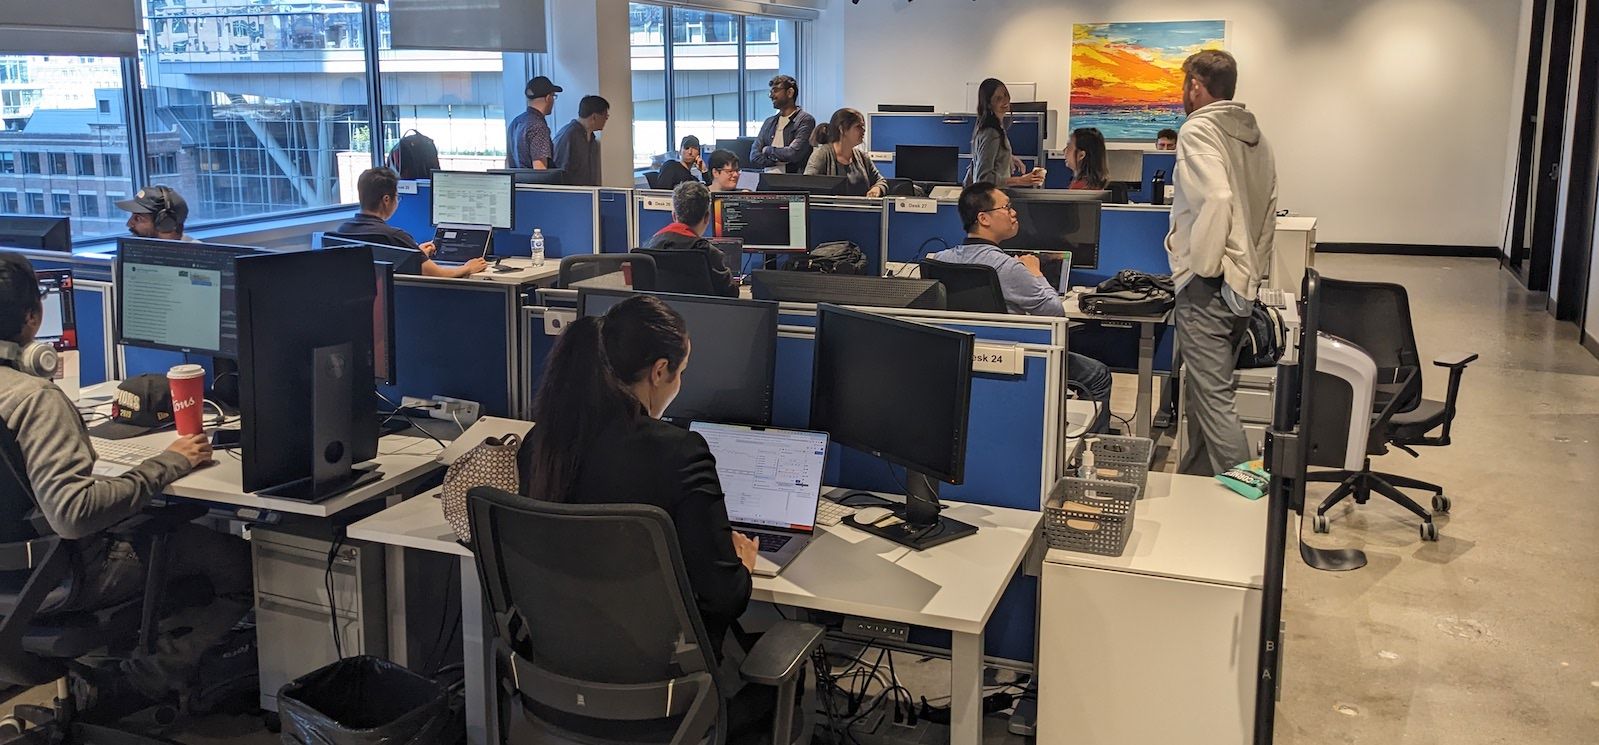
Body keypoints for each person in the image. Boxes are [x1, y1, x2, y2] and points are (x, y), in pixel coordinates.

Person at [0, 252, 250, 720]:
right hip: (62, 577)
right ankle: (135, 683)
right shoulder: (34, 399)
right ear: (34, 318)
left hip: (13, 576)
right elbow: (72, 515)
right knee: (244, 567)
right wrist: (166, 464)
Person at [520, 294, 756, 652]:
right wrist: (743, 566)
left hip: (557, 675)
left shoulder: (543, 442)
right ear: (660, 371)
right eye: (682, 372)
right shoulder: (681, 452)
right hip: (665, 684)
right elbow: (723, 598)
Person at [1165, 49, 1278, 476]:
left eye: (1183, 84)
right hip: (1240, 287)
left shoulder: (1198, 131)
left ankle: (1248, 500)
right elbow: (1268, 214)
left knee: (1214, 398)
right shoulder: (1257, 139)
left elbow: (1216, 198)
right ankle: (1195, 482)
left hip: (1208, 286)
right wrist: (1250, 274)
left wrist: (1203, 267)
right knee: (1201, 394)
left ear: (1195, 85)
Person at [928, 183, 1113, 433]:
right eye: (1006, 207)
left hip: (963, 356)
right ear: (984, 218)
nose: (1014, 213)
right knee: (1098, 374)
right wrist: (1036, 273)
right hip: (1014, 357)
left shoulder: (939, 259)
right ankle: (1088, 449)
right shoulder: (1008, 267)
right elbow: (1054, 312)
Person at [333, 167, 488, 279]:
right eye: (397, 196)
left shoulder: (341, 232)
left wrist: (414, 254)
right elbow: (438, 274)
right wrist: (467, 268)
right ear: (386, 200)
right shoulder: (395, 237)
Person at [641, 181, 737, 298]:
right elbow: (731, 294)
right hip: (702, 314)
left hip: (660, 314)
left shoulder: (648, 247)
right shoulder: (707, 252)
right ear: (707, 217)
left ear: (674, 215)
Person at [967, 78, 1045, 189]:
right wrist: (1020, 180)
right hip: (990, 200)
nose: (1005, 101)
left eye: (1005, 95)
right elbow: (983, 178)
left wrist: (1008, 157)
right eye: (998, 98)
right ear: (989, 104)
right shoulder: (991, 133)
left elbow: (988, 155)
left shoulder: (992, 128)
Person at [804, 108, 888, 198]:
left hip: (862, 210)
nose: (863, 130)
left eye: (863, 126)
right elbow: (808, 186)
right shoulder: (821, 155)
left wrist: (877, 188)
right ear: (842, 129)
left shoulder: (862, 157)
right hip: (831, 211)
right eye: (858, 126)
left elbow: (880, 180)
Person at [749, 75, 815, 174]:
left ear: (790, 92)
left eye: (775, 91)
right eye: (770, 92)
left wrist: (767, 150)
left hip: (792, 183)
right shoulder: (769, 122)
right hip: (767, 181)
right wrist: (775, 161)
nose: (771, 95)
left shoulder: (805, 120)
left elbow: (793, 154)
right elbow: (754, 156)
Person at [552, 95, 610, 187]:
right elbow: (559, 171)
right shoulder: (568, 135)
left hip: (589, 194)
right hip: (572, 195)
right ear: (594, 117)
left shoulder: (592, 139)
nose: (606, 119)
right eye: (605, 116)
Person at [507, 75, 561, 169]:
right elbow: (540, 170)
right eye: (554, 96)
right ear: (548, 98)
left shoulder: (515, 122)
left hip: (517, 182)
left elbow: (508, 161)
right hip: (532, 183)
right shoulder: (539, 127)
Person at [116, 186, 195, 241]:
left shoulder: (200, 257)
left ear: (165, 224)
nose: (129, 224)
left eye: (138, 218)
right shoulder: (138, 254)